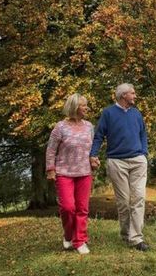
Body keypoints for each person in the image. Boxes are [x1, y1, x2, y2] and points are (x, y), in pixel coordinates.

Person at [89, 83, 150, 251]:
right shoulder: (108, 113)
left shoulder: (137, 113)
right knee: (123, 202)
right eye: (132, 93)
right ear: (124, 96)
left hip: (138, 160)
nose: (135, 96)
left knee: (138, 198)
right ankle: (125, 234)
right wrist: (93, 155)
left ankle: (136, 238)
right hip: (117, 162)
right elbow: (99, 136)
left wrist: (144, 153)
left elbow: (143, 133)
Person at [46, 93, 96, 255]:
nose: (86, 108)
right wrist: (50, 169)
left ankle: (80, 240)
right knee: (68, 208)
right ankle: (68, 235)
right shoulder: (60, 127)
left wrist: (94, 160)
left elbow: (92, 149)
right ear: (74, 107)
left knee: (82, 208)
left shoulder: (89, 126)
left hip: (84, 172)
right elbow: (51, 149)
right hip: (64, 173)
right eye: (83, 105)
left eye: (86, 105)